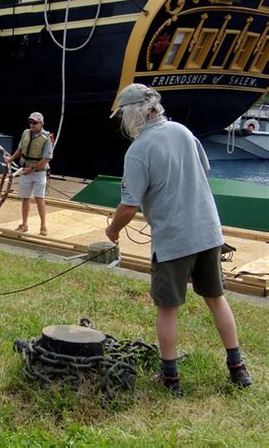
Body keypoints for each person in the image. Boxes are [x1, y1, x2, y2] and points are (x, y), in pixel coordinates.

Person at [105, 84, 252, 395]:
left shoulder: (138, 150)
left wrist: (113, 231)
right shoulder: (183, 131)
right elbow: (204, 169)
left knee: (167, 308)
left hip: (173, 240)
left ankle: (171, 378)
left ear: (133, 115)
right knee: (216, 298)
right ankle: (238, 369)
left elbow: (129, 206)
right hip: (209, 232)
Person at [6, 112, 53, 236]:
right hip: (26, 170)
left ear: (41, 123)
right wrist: (11, 158)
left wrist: (32, 169)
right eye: (30, 122)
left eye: (35, 123)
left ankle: (43, 226)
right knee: (25, 198)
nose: (32, 125)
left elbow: (47, 158)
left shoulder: (46, 137)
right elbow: (21, 149)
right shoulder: (26, 133)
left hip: (39, 172)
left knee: (39, 198)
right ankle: (24, 224)